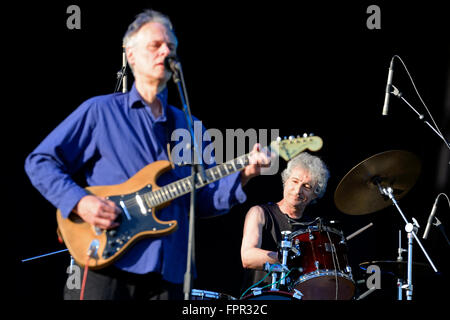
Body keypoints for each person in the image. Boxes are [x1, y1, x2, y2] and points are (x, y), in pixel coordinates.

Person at [25, 9, 269, 300]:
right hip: (109, 258)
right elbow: (41, 162)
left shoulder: (192, 126)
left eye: (171, 47)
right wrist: (80, 202)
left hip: (171, 270)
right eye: (155, 45)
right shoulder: (101, 112)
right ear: (130, 55)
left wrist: (244, 174)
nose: (165, 51)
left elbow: (203, 200)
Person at [240, 152, 329, 295]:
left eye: (306, 186)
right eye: (294, 181)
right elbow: (248, 257)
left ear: (315, 194)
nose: (298, 190)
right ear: (285, 181)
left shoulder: (315, 228)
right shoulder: (259, 212)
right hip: (260, 299)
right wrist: (294, 260)